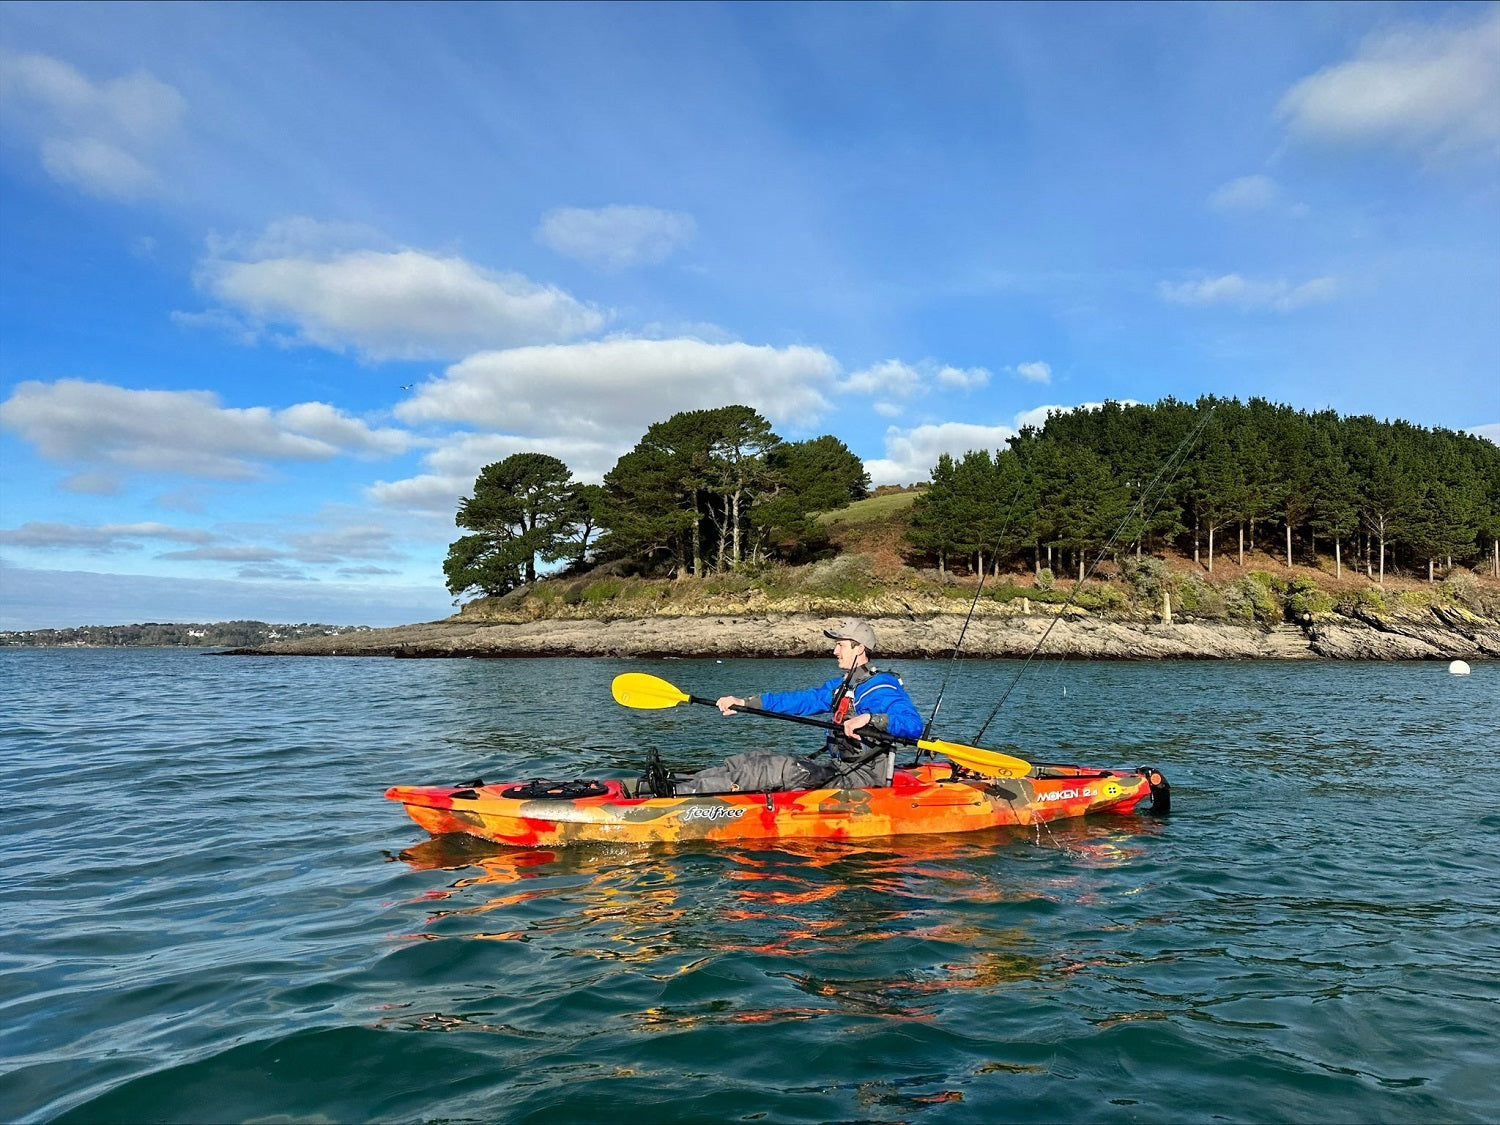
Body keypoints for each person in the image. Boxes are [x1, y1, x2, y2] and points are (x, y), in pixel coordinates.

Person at [672, 618, 924, 794]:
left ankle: (676, 796)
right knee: (754, 759)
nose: (835, 651)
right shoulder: (841, 686)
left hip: (863, 779)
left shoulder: (880, 687)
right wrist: (745, 703)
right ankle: (669, 786)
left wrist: (870, 720)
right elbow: (800, 701)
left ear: (859, 649)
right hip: (840, 768)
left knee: (780, 769)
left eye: (841, 645)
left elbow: (913, 725)